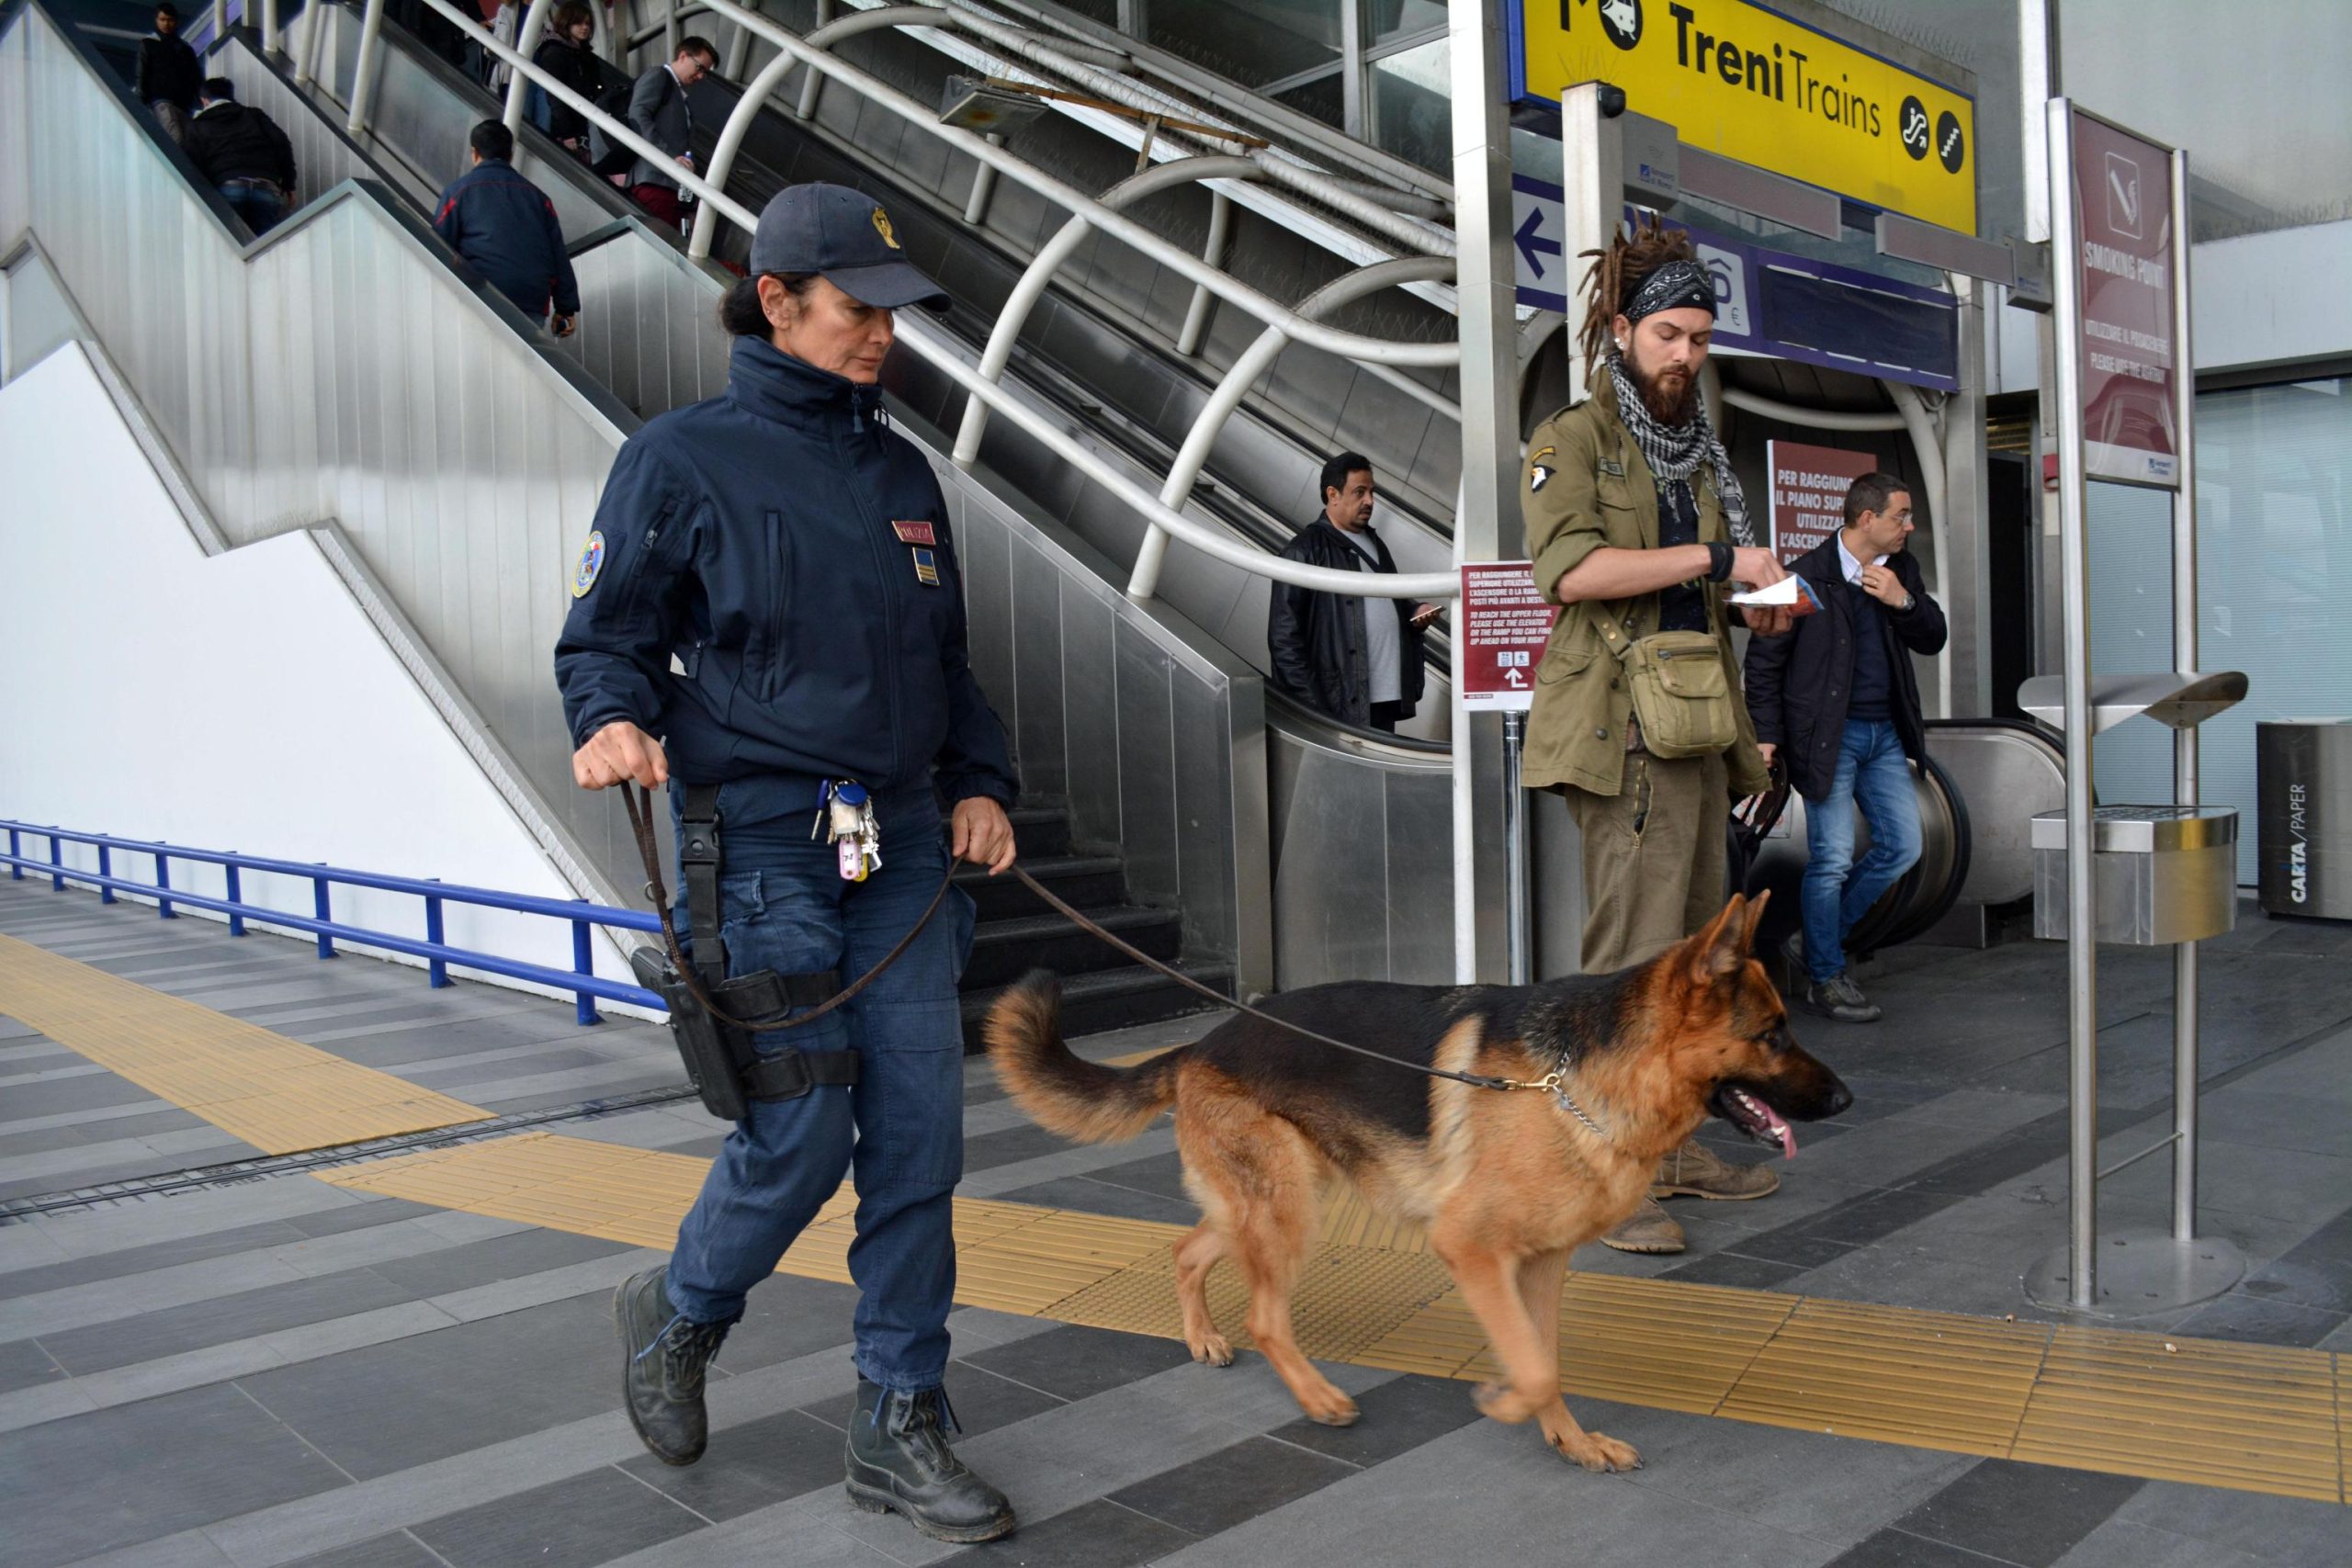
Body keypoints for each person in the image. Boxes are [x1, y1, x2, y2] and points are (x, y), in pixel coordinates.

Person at [555, 183, 1021, 1546]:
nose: (883, 333)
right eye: (857, 309)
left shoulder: (901, 475)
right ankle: (679, 1310)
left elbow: (949, 663)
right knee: (803, 1131)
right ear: (775, 301)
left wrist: (981, 783)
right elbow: (604, 636)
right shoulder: (678, 458)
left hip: (904, 846)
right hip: (761, 844)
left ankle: (899, 1416)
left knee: (921, 1140)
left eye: (894, 313)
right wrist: (611, 717)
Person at [1520, 217, 1793, 1257]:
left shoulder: (1695, 454)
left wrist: (1755, 604)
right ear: (1625, 331)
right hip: (1624, 734)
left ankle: (1668, 1151)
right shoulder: (1574, 440)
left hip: (1695, 726)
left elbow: (1694, 593)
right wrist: (1718, 562)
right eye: (1669, 334)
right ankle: (1604, 1174)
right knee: (1632, 967)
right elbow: (1572, 574)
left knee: (1694, 971)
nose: (1686, 355)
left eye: (1700, 339)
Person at [1744, 473, 1948, 1023]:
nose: (1910, 526)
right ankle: (1827, 977)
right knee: (1831, 858)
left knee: (1904, 847)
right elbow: (1762, 664)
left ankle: (1816, 942)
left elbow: (1933, 637)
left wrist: (1904, 601)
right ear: (1867, 519)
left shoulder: (1900, 570)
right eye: (1901, 516)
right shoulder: (1800, 576)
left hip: (1885, 735)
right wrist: (1766, 736)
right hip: (1826, 738)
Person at [1265, 454, 1438, 731]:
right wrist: (1312, 708)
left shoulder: (1374, 542)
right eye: (1360, 492)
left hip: (1385, 695)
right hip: (1339, 703)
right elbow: (1284, 639)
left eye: (1371, 492)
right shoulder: (1303, 551)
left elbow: (1391, 596)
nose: (1369, 501)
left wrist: (1414, 611)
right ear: (1332, 494)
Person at [433, 120, 580, 335]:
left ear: (474, 153)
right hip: (531, 298)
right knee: (523, 353)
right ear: (510, 155)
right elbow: (558, 254)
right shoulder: (539, 198)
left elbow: (437, 245)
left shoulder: (458, 192)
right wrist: (566, 307)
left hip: (482, 292)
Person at [184, 79, 297, 235]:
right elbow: (281, 143)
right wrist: (289, 184)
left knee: (232, 244)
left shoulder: (197, 125)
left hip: (228, 186)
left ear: (204, 100)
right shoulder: (254, 115)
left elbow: (194, 164)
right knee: (266, 244)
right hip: (266, 185)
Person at [626, 36, 715, 231]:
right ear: (683, 56)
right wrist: (668, 155)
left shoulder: (679, 93)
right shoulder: (659, 76)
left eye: (705, 72)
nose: (701, 76)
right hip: (653, 180)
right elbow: (638, 115)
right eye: (700, 68)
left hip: (667, 184)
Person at [526, 2, 604, 154]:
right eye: (578, 23)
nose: (585, 27)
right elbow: (555, 96)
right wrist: (567, 132)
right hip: (568, 129)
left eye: (588, 23)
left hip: (583, 125)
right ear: (566, 23)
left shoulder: (585, 56)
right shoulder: (554, 53)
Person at [135, 4, 200, 144]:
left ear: (175, 21)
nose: (166, 24)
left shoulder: (185, 48)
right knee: (177, 140)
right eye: (162, 20)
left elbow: (195, 77)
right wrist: (141, 100)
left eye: (169, 20)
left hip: (183, 103)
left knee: (185, 142)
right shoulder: (149, 44)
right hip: (162, 99)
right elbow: (142, 73)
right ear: (156, 20)